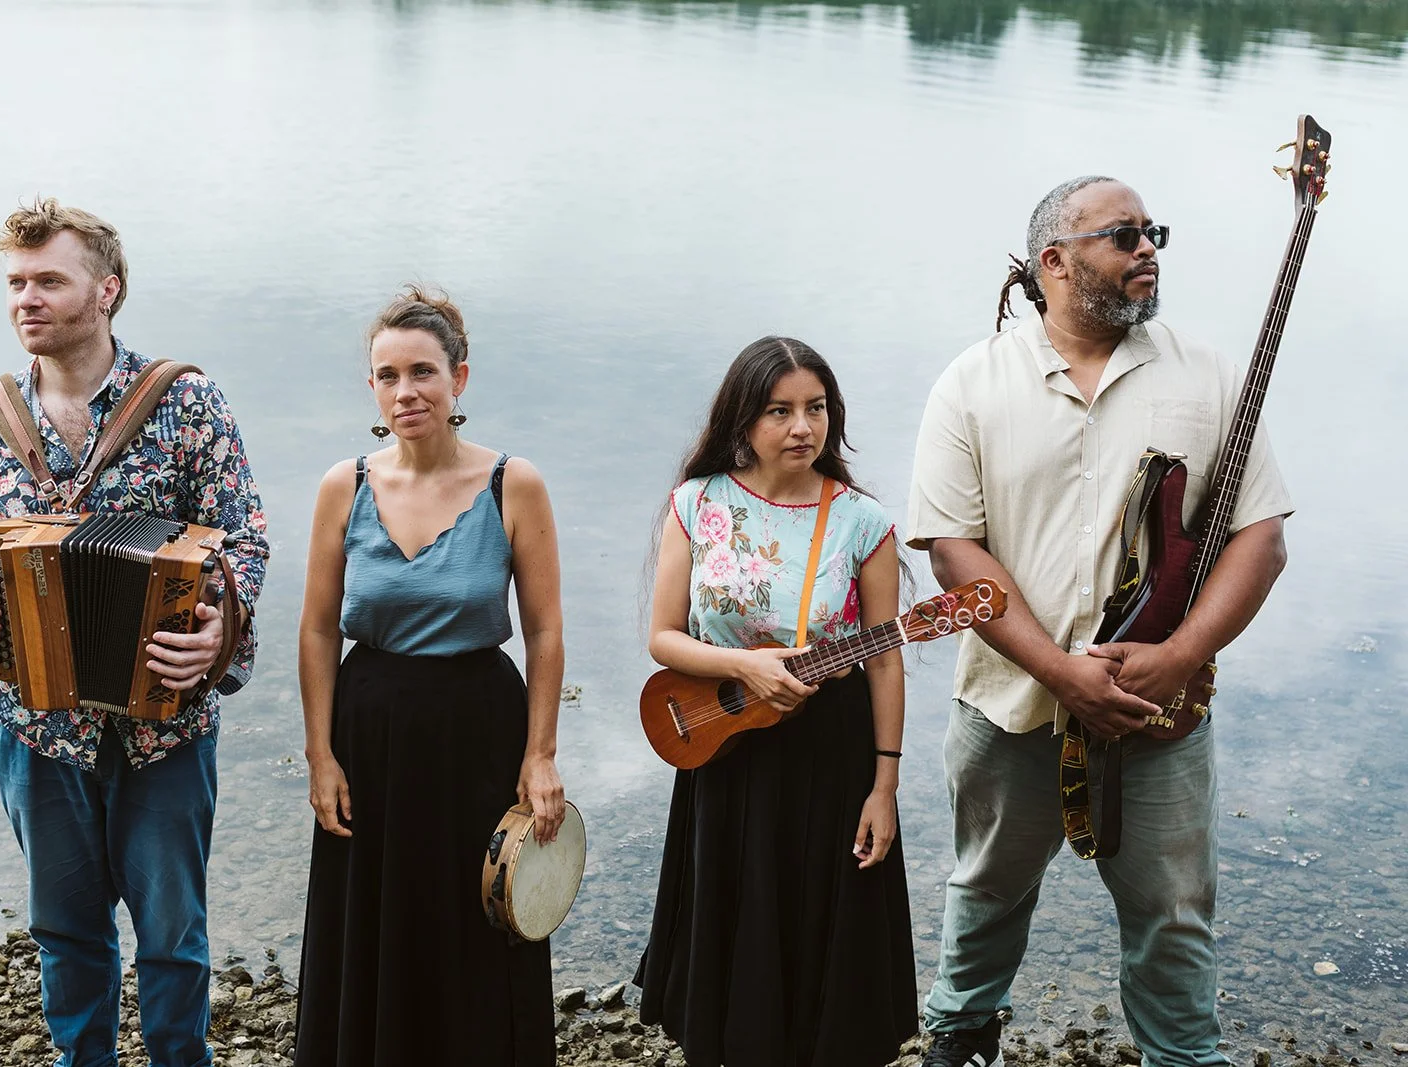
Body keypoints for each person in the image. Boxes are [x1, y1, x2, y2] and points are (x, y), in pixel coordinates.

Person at [907, 176, 1292, 1067]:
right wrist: (1058, 669)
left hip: (1162, 714)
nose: (1148, 247)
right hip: (1010, 710)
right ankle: (960, 1039)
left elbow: (1260, 535)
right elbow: (954, 552)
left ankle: (1184, 1057)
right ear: (1055, 262)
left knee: (1172, 918)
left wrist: (1184, 653)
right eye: (1123, 235)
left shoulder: (1205, 373)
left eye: (1153, 231)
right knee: (987, 893)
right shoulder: (972, 383)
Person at [0, 198, 269, 1067]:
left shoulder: (185, 402)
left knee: (173, 933)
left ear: (107, 290)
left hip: (165, 723)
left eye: (49, 280)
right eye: (16, 282)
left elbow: (243, 536)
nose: (27, 298)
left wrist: (218, 634)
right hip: (34, 728)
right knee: (65, 930)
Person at [294, 285, 567, 1066]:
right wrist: (321, 755)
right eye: (387, 375)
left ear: (460, 380)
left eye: (423, 371)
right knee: (373, 914)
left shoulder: (514, 483)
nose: (406, 391)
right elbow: (315, 627)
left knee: (480, 913)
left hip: (479, 727)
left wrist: (540, 752)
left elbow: (545, 630)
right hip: (370, 725)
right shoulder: (343, 485)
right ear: (372, 389)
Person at [635, 336, 916, 1067]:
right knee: (736, 937)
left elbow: (886, 660)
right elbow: (663, 637)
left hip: (831, 755)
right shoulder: (698, 504)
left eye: (816, 408)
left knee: (820, 943)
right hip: (725, 747)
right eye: (780, 410)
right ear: (742, 420)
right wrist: (745, 666)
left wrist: (884, 786)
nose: (802, 427)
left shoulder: (863, 521)